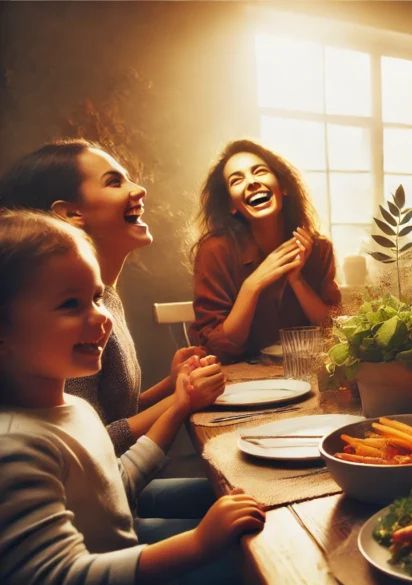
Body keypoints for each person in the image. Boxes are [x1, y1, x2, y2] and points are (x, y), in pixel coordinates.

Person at [0, 210, 264, 584]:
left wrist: (179, 403)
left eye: (95, 297)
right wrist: (199, 544)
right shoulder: (15, 447)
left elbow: (114, 487)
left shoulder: (73, 407)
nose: (101, 316)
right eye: (70, 304)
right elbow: (61, 575)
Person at [0, 139, 219, 456]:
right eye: (114, 182)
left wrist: (172, 384)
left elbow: (111, 412)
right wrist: (181, 399)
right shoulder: (68, 325)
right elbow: (92, 445)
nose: (138, 189)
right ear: (72, 213)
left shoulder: (103, 298)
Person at [189, 139, 342, 362]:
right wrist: (253, 285)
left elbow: (333, 333)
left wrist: (297, 280)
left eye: (259, 171)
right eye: (236, 180)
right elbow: (217, 348)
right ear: (232, 206)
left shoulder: (318, 249)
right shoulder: (215, 251)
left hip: (307, 372)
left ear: (284, 187)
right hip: (240, 384)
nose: (251, 182)